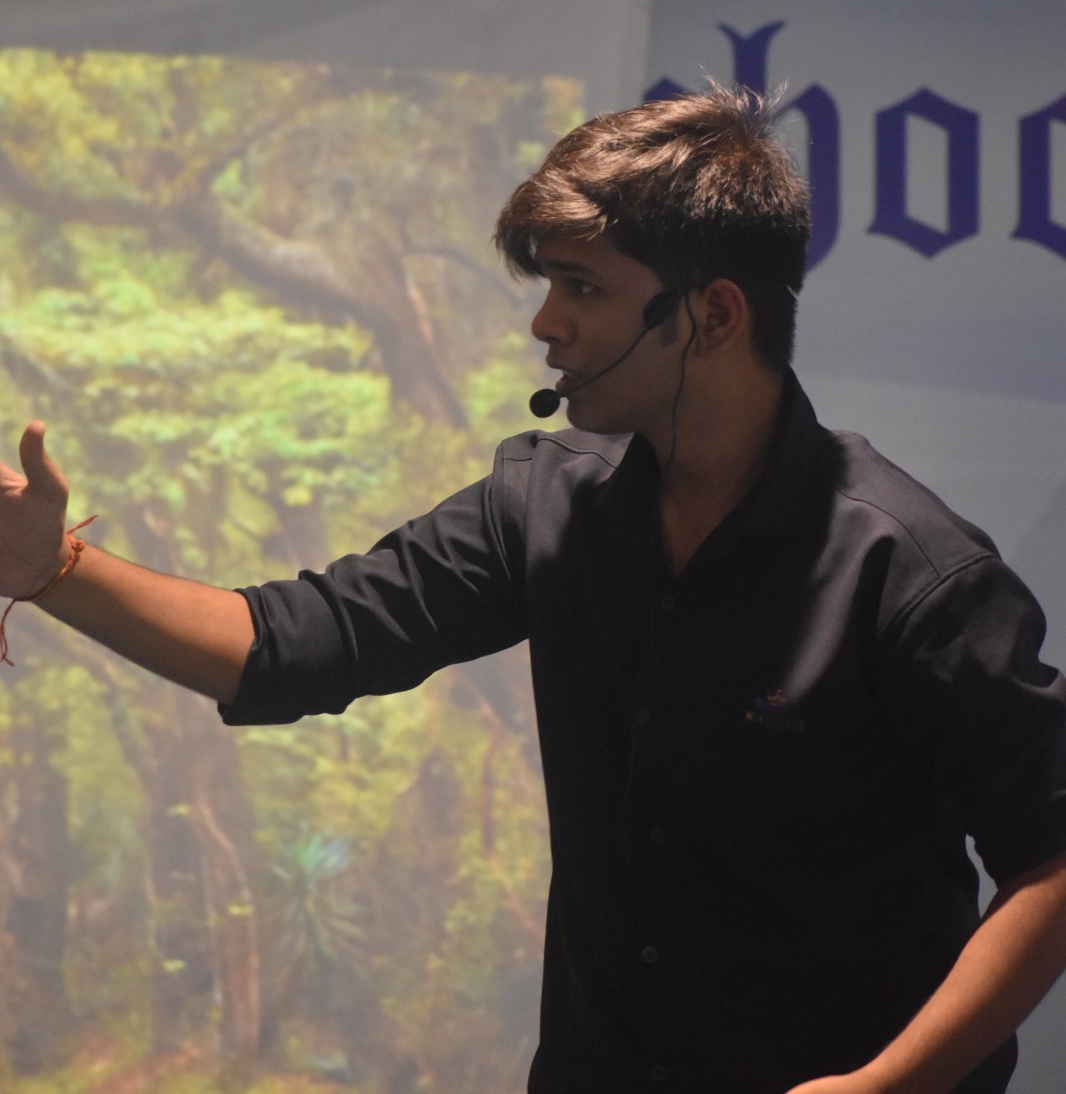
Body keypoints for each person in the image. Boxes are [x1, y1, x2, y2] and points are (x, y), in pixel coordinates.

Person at [2, 85, 1065, 1094]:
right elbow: (293, 642)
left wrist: (890, 1084)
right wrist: (53, 571)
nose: (544, 324)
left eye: (583, 288)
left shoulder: (911, 573)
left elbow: (1053, 860)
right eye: (549, 285)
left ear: (712, 316)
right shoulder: (544, 503)